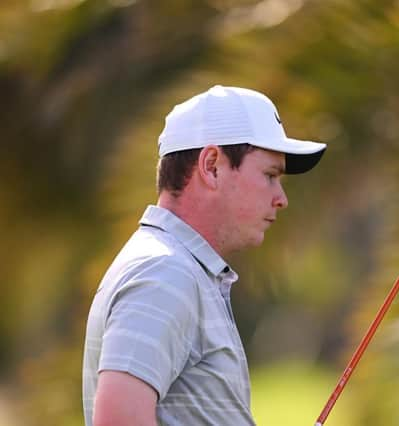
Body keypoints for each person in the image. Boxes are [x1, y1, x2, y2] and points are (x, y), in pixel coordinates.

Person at [82, 85, 326, 425]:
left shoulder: (178, 270)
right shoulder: (163, 273)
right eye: (270, 175)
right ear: (211, 166)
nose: (281, 198)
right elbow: (118, 421)